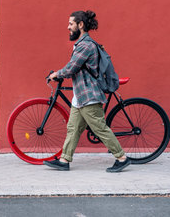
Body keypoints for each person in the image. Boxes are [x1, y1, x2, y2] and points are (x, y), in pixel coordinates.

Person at [44, 10, 131, 172]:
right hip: (81, 96)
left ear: (81, 25)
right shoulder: (83, 43)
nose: (68, 27)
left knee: (99, 128)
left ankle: (122, 157)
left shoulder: (86, 45)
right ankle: (64, 160)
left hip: (89, 95)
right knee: (73, 128)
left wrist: (56, 74)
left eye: (71, 24)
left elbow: (71, 68)